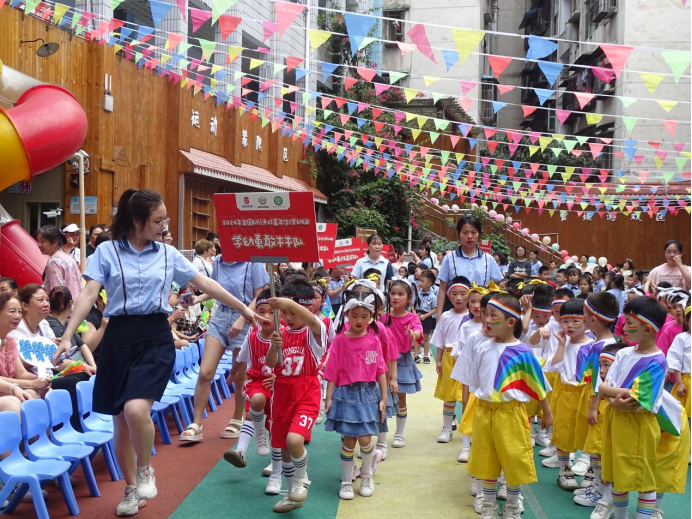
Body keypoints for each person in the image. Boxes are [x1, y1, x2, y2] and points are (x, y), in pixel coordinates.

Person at [52, 189, 262, 517]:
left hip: (154, 335)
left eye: (165, 219)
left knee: (136, 409)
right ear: (136, 221)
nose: (164, 225)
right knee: (120, 420)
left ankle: (146, 470)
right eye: (157, 220)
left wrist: (242, 309)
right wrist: (67, 335)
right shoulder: (106, 252)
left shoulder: (167, 254)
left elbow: (207, 285)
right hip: (118, 337)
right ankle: (131, 488)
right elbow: (88, 292)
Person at [467, 293, 553, 519]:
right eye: (486, 315)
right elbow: (475, 383)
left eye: (493, 316)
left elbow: (539, 385)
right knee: (486, 460)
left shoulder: (522, 352)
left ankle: (513, 505)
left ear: (511, 322)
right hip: (485, 413)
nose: (486, 320)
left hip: (511, 413)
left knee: (513, 460)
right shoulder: (483, 348)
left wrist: (547, 412)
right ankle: (488, 504)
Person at [180, 254, 269, 443]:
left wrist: (241, 318)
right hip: (220, 317)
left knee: (239, 375)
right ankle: (196, 424)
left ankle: (237, 418)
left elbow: (260, 295)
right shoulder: (218, 260)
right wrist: (195, 300)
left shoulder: (254, 261)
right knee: (205, 372)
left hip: (246, 319)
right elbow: (215, 289)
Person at [599, 297, 668, 519]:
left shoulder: (657, 360)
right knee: (618, 476)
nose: (623, 327)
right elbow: (604, 387)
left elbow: (637, 399)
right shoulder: (622, 353)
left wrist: (610, 393)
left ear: (647, 328)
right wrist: (614, 398)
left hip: (639, 426)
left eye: (629, 323)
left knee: (643, 479)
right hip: (615, 420)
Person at [265, 278, 326, 513]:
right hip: (282, 393)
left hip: (306, 392)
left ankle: (302, 480)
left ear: (307, 308)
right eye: (284, 313)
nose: (288, 317)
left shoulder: (314, 332)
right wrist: (273, 346)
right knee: (283, 450)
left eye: (292, 312)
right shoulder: (281, 332)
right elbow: (271, 364)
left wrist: (287, 301)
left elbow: (311, 319)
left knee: (294, 441)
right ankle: (291, 494)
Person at [324, 291, 387, 500]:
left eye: (364, 316)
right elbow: (332, 370)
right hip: (346, 394)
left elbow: (380, 369)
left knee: (366, 439)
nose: (359, 320)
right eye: (354, 315)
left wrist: (384, 398)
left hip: (368, 394)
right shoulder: (341, 341)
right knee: (349, 441)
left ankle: (367, 475)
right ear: (347, 315)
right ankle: (345, 482)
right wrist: (328, 396)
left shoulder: (373, 341)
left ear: (371, 316)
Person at [222, 290, 281, 494]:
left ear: (281, 315)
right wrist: (233, 372)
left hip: (278, 386)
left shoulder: (283, 337)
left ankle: (276, 462)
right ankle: (249, 444)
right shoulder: (253, 334)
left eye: (270, 313)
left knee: (277, 423)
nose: (265, 317)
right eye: (260, 312)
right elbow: (241, 356)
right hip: (256, 381)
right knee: (253, 406)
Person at [573, 292, 620, 507]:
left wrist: (593, 407)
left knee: (598, 448)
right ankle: (596, 485)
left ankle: (600, 491)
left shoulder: (604, 347)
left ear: (592, 319)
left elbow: (598, 382)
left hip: (599, 403)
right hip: (594, 400)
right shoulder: (601, 342)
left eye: (583, 313)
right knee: (594, 448)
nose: (581, 317)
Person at [545, 298, 595, 490]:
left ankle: (592, 471)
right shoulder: (563, 345)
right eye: (565, 321)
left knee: (589, 433)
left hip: (586, 394)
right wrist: (560, 346)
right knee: (565, 431)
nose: (570, 325)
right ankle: (564, 469)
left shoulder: (593, 345)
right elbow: (554, 366)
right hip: (566, 393)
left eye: (576, 320)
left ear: (587, 320)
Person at [436, 215, 503, 321]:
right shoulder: (449, 258)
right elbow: (442, 289)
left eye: (474, 232)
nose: (470, 236)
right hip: (455, 313)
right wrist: (438, 317)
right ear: (458, 234)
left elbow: (497, 287)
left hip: (481, 314)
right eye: (465, 233)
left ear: (479, 234)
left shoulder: (488, 259)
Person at [381, 279, 423, 449]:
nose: (396, 297)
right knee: (381, 397)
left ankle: (399, 434)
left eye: (400, 294)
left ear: (409, 298)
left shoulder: (412, 317)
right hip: (383, 361)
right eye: (392, 294)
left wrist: (415, 333)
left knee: (401, 398)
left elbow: (418, 331)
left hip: (402, 360)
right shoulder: (383, 317)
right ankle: (381, 438)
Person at [432, 276, 470, 444]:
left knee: (468, 397)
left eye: (463, 294)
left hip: (467, 360)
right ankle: (447, 428)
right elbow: (440, 340)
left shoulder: (473, 317)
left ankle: (468, 431)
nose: (459, 298)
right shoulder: (446, 316)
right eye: (454, 294)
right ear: (449, 296)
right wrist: (438, 360)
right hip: (449, 358)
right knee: (448, 395)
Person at [0, 292, 50, 401]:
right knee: (13, 401)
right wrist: (31, 383)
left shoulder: (10, 341)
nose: (17, 316)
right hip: (8, 392)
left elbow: (21, 373)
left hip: (11, 390)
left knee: (35, 393)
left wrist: (43, 380)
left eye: (20, 312)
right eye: (12, 311)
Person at [36, 225, 83, 300]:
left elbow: (57, 292)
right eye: (38, 241)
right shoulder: (68, 257)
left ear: (55, 242)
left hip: (64, 308)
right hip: (78, 305)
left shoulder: (53, 261)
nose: (39, 245)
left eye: (43, 241)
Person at [668, 303, 691, 420]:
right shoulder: (682, 338)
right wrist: (680, 383)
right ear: (686, 321)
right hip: (687, 382)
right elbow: (675, 360)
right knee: (684, 416)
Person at [414, 269, 438, 365]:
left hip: (427, 317)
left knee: (426, 337)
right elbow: (412, 304)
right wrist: (415, 313)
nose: (420, 283)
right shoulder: (417, 294)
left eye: (422, 281)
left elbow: (435, 309)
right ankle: (416, 354)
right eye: (419, 281)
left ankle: (426, 355)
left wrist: (425, 316)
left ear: (429, 284)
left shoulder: (432, 296)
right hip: (418, 316)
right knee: (417, 336)